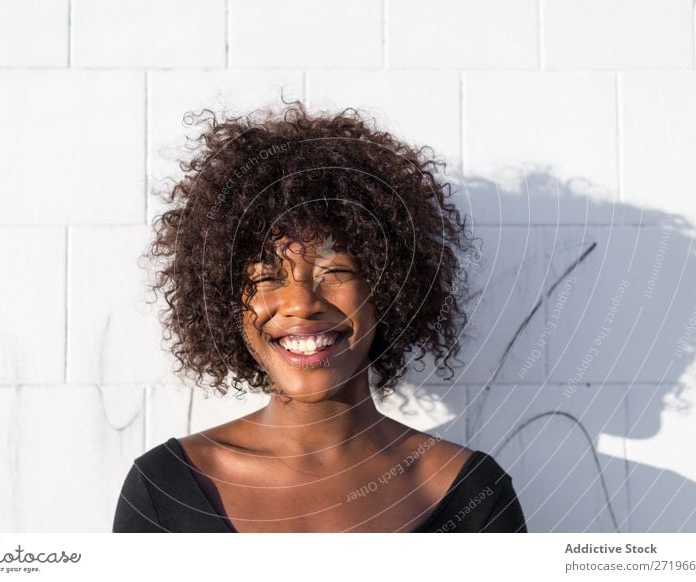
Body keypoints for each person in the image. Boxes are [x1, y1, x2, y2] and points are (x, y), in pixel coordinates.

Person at [113, 100, 527, 533]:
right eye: (268, 276)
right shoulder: (165, 489)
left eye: (335, 272)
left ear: (387, 289)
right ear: (224, 301)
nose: (301, 302)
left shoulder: (473, 492)